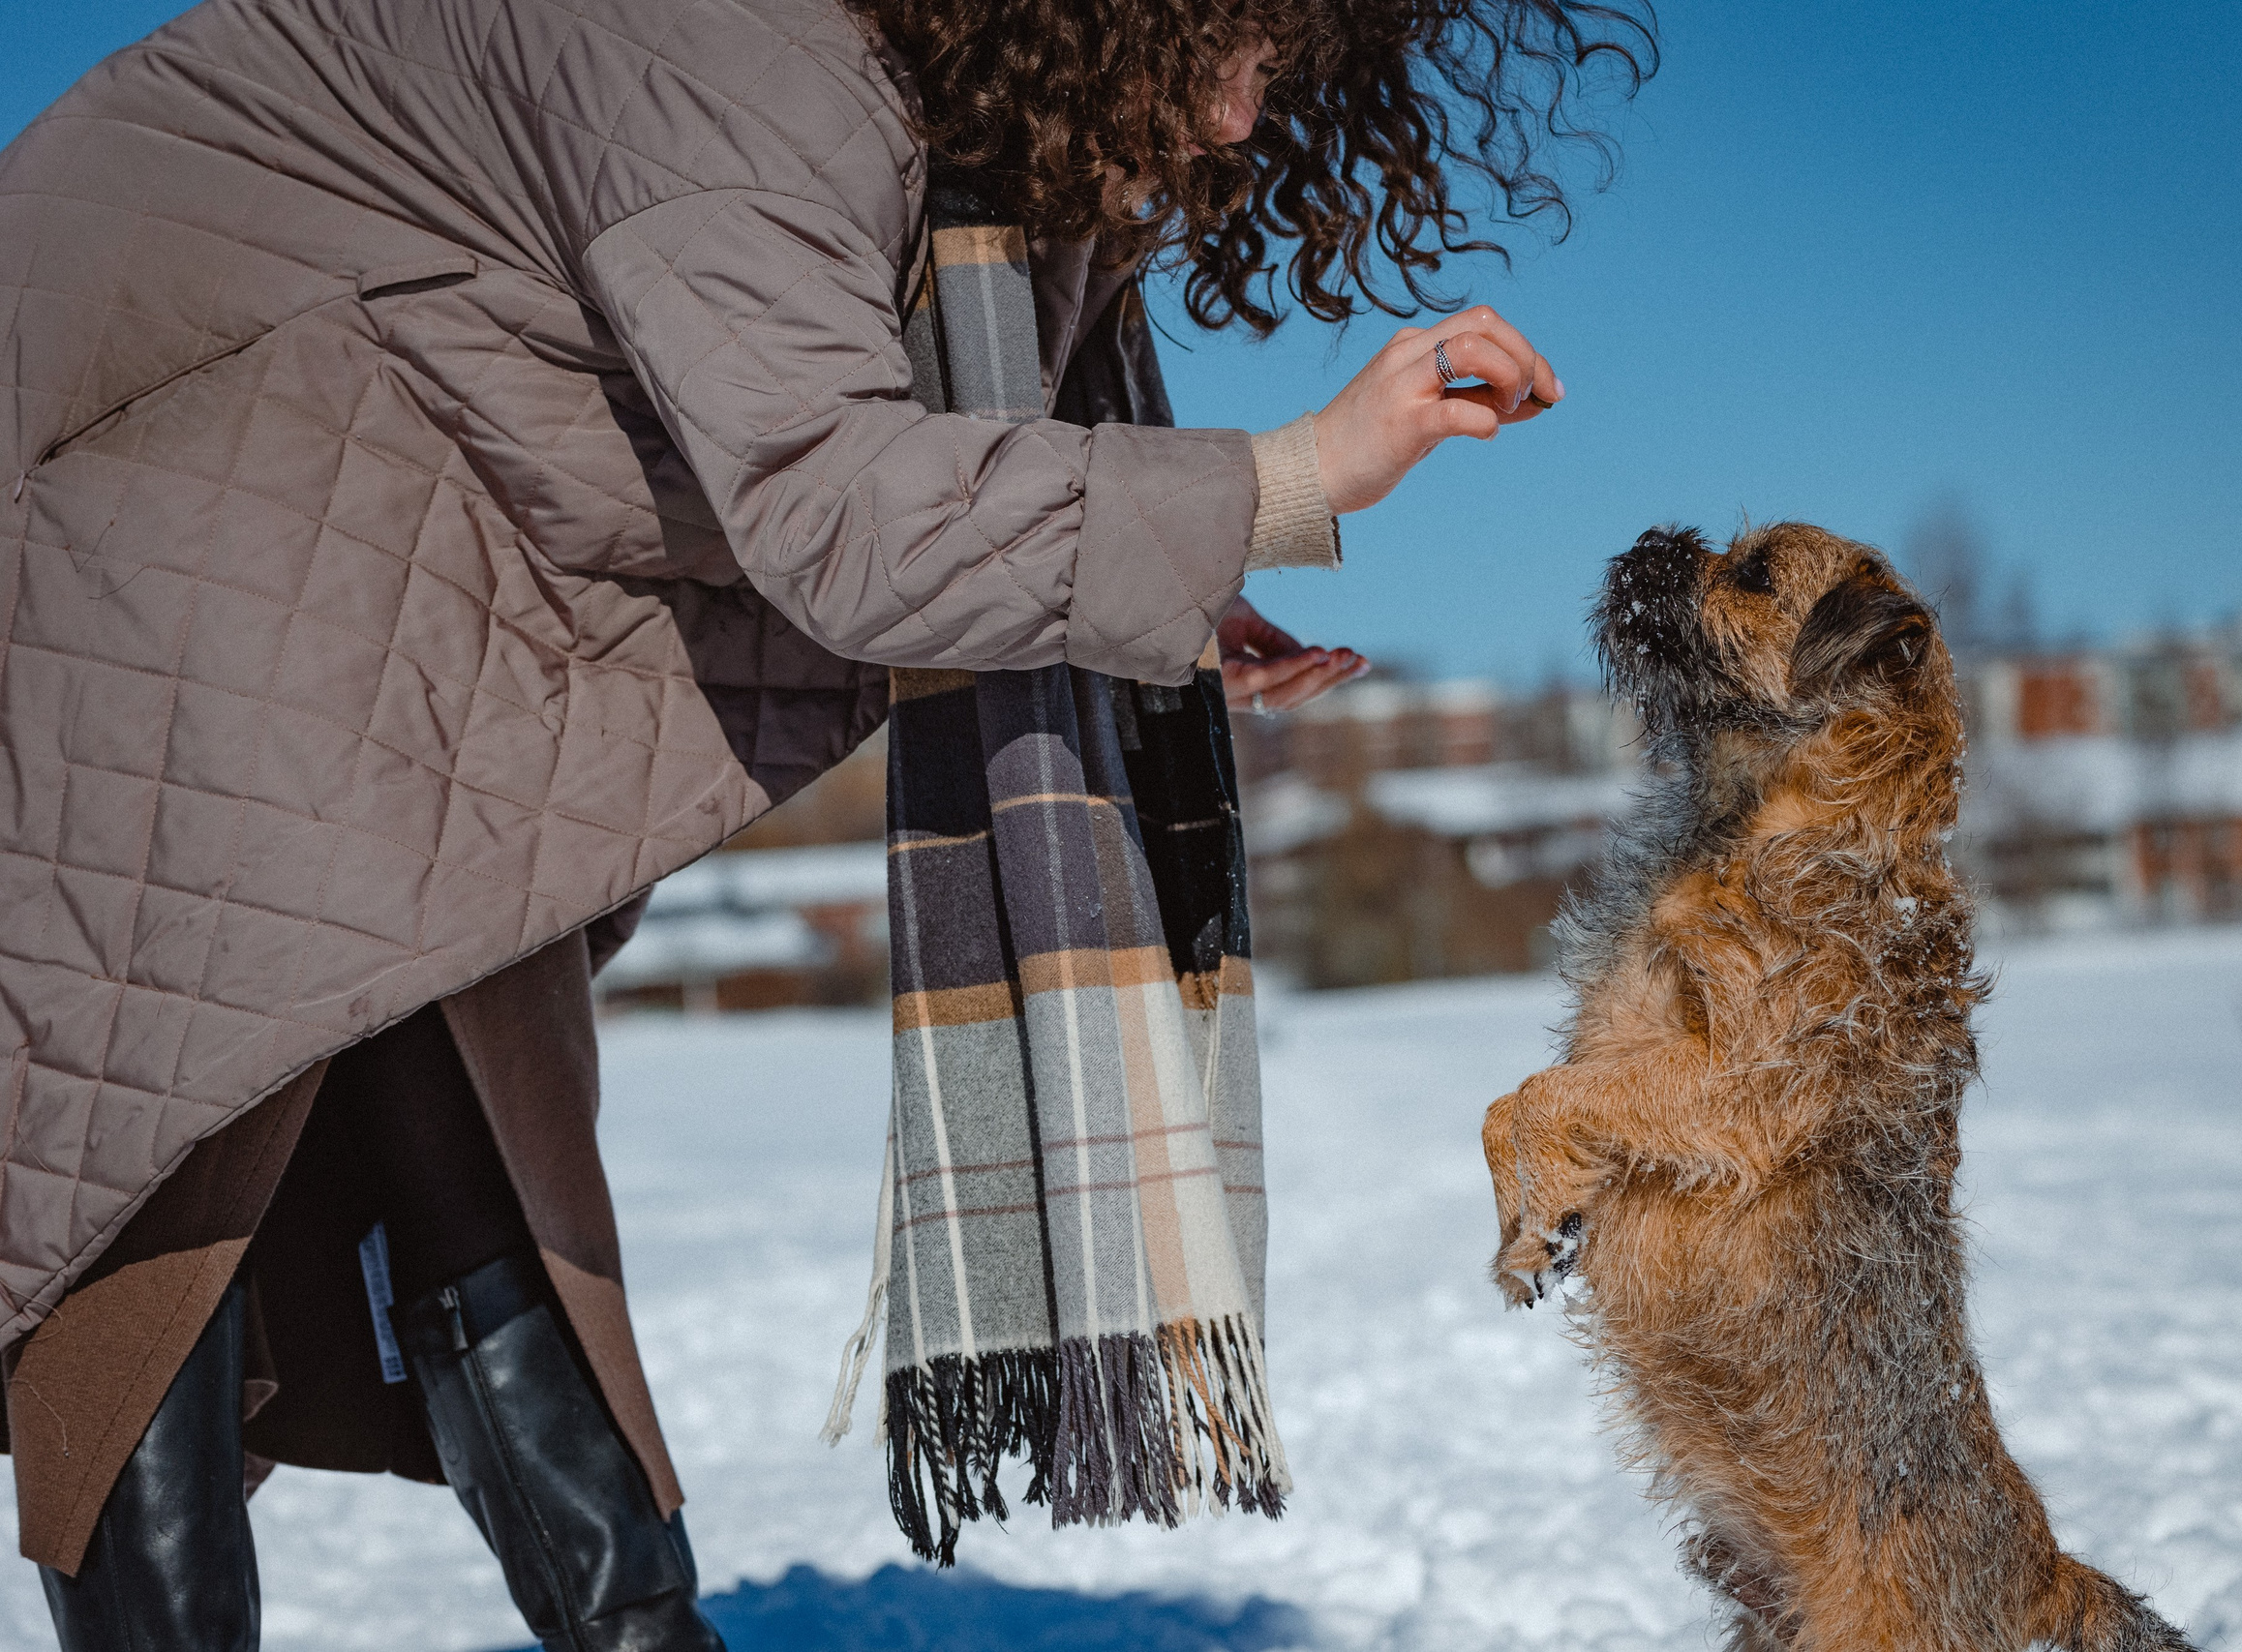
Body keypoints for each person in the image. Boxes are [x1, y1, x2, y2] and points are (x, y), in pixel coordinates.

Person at [0, 0, 1652, 1642]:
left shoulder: (903, 117)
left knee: (481, 1130)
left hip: (368, 547)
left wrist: (1154, 591)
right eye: (1233, 47)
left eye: (1281, 80)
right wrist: (1286, 475)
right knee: (170, 1143)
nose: (1237, 123)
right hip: (163, 519)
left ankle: (640, 1628)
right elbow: (835, 498)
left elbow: (868, 472)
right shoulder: (741, 55)